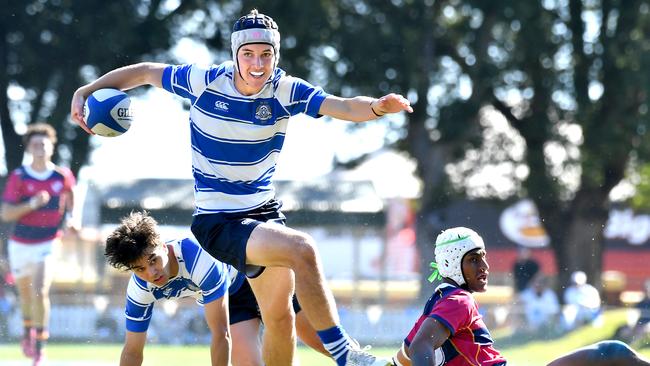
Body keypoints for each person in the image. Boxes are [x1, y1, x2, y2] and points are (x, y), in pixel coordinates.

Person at [71, 8, 411, 366]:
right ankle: (347, 356)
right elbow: (144, 72)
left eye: (266, 54)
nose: (257, 63)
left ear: (276, 55)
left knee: (280, 320)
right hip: (219, 222)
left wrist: (375, 108)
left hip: (265, 215)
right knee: (303, 248)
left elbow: (340, 105)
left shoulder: (284, 89)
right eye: (248, 54)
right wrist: (88, 90)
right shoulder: (203, 81)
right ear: (235, 55)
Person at [391, 226, 650, 366]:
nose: (484, 267)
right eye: (473, 260)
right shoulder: (459, 299)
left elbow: (409, 351)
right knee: (613, 352)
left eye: (483, 258)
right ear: (451, 265)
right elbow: (421, 346)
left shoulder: (437, 299)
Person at [105, 211, 327, 366]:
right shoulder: (140, 289)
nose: (151, 273)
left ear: (164, 247)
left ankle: (357, 358)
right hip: (235, 298)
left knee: (320, 340)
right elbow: (133, 352)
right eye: (140, 269)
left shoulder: (197, 259)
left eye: (153, 260)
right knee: (248, 363)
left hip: (258, 275)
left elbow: (220, 333)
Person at [1, 123, 78, 365]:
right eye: (35, 144)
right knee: (25, 294)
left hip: (48, 240)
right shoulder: (19, 177)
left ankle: (40, 349)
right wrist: (32, 204)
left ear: (51, 146)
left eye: (43, 144)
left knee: (40, 289)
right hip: (20, 242)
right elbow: (6, 214)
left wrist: (72, 220)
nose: (39, 148)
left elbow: (72, 196)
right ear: (29, 148)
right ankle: (27, 333)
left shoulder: (62, 175)